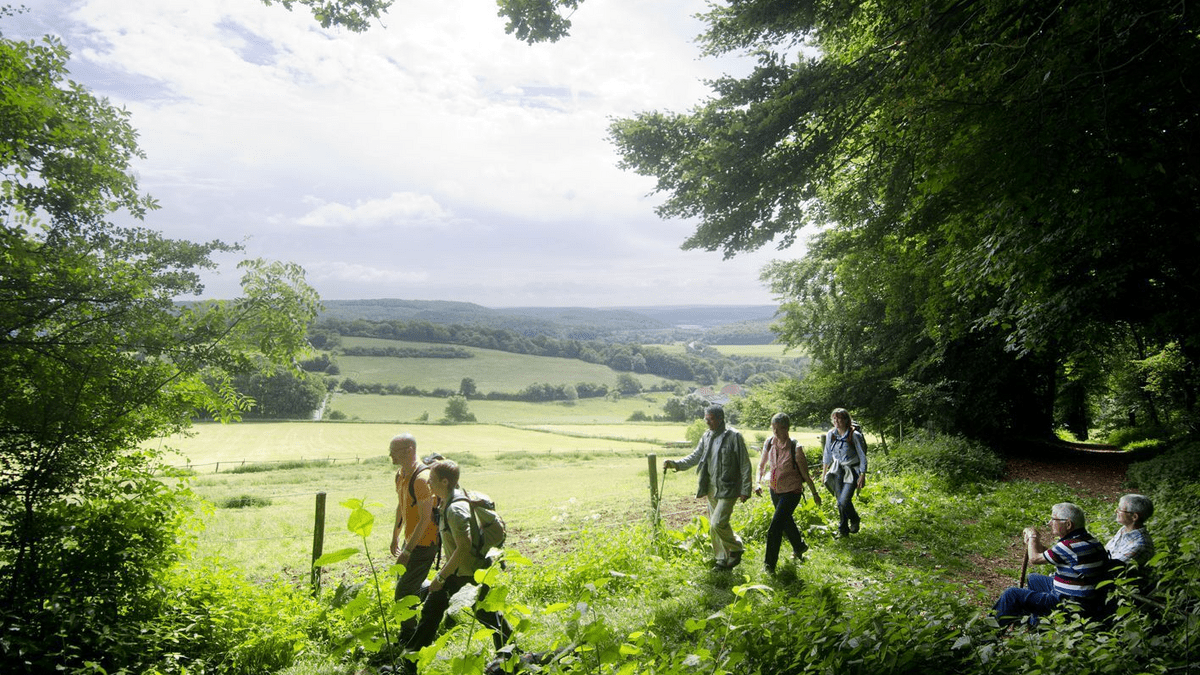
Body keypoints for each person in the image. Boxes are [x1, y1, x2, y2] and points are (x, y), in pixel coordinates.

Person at [409, 460, 513, 651]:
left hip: (469, 573)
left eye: (432, 479)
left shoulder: (455, 510)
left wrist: (441, 577)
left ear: (445, 482)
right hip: (457, 570)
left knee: (488, 616)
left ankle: (511, 655)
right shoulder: (448, 501)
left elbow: (464, 546)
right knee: (431, 611)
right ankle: (411, 658)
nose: (428, 483)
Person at [992, 502, 1110, 627]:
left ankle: (989, 631)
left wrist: (1032, 537)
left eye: (1054, 519)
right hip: (1088, 600)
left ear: (1068, 524)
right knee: (1033, 578)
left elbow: (1035, 559)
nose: (1049, 523)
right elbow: (1048, 553)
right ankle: (1037, 625)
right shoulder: (1089, 541)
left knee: (1011, 594)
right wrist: (1034, 542)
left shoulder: (1068, 546)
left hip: (1070, 604)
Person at [663, 405, 753, 569]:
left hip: (729, 487)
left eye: (710, 419)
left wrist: (746, 489)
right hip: (711, 487)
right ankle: (721, 559)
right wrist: (675, 464)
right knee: (714, 525)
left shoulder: (734, 436)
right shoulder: (706, 436)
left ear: (720, 419)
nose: (707, 422)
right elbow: (695, 456)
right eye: (706, 419)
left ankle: (736, 547)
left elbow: (745, 464)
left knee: (717, 523)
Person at [755, 413, 822, 573]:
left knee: (775, 527)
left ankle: (769, 566)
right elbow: (761, 465)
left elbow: (805, 475)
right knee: (785, 521)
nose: (776, 432)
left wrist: (815, 494)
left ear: (786, 428)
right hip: (774, 489)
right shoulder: (769, 443)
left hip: (792, 492)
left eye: (779, 429)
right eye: (773, 428)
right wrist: (757, 482)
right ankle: (799, 547)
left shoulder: (795, 448)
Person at [388, 434, 440, 619]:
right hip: (411, 540)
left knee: (403, 594)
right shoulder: (401, 475)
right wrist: (395, 535)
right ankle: (438, 592)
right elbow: (401, 506)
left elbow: (425, 519)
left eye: (394, 451)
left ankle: (408, 633)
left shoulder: (421, 479)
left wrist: (407, 552)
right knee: (406, 584)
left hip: (425, 544)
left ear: (409, 451)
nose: (390, 455)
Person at [821, 408, 868, 538]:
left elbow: (862, 456)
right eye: (834, 418)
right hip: (837, 470)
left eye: (840, 418)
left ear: (846, 420)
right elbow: (827, 454)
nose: (836, 421)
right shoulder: (831, 434)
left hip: (852, 471)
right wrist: (824, 474)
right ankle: (843, 530)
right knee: (839, 501)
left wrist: (862, 474)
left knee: (844, 500)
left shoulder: (854, 435)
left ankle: (855, 519)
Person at [1105, 493, 1155, 566]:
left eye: (1120, 509)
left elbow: (1113, 568)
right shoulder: (1124, 529)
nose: (1116, 511)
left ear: (1134, 517)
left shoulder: (1139, 545)